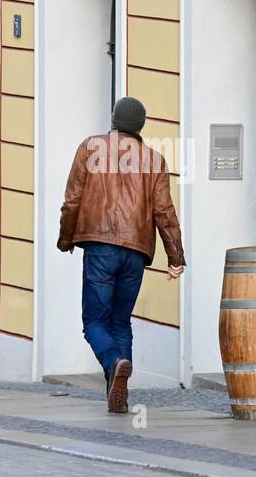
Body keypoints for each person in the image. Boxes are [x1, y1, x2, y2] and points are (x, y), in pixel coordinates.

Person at [58, 96, 185, 413]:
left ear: (114, 120)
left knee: (94, 322)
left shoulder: (90, 147)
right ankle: (118, 393)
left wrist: (66, 238)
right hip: (136, 251)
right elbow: (164, 212)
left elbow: (72, 198)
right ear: (140, 125)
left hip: (100, 246)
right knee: (120, 322)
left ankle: (115, 363)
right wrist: (175, 257)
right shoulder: (155, 160)